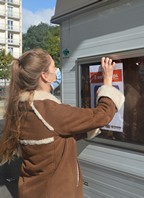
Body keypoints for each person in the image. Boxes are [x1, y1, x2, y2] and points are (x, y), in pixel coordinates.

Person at [0, 48, 125, 198]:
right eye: (54, 67)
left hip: (31, 190)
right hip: (56, 192)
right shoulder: (49, 110)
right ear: (44, 76)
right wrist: (108, 83)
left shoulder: (21, 106)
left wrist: (84, 130)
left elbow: (52, 138)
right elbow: (102, 115)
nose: (57, 70)